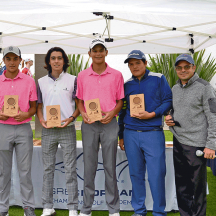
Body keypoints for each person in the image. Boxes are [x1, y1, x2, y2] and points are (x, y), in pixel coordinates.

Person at [118, 50, 172, 216]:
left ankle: (159, 212)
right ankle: (139, 211)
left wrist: (153, 114)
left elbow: (168, 100)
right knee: (136, 174)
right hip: (131, 133)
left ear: (145, 63)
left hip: (152, 132)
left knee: (156, 174)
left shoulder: (158, 78)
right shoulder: (126, 84)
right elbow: (122, 110)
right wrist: (121, 135)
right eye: (131, 64)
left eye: (137, 63)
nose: (134, 66)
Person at [165, 54, 216, 216]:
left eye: (187, 67)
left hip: (197, 144)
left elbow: (213, 118)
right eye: (179, 68)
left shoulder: (205, 88)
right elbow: (175, 110)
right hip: (179, 142)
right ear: (176, 70)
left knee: (197, 187)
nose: (183, 70)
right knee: (182, 185)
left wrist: (210, 145)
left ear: (193, 68)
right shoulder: (175, 88)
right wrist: (170, 117)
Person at [76, 37, 124, 216]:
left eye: (101, 50)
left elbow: (120, 101)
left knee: (110, 167)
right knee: (89, 166)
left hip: (109, 123)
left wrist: (113, 113)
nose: (98, 53)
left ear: (106, 52)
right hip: (89, 125)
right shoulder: (82, 75)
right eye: (94, 50)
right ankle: (86, 209)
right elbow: (79, 100)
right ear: (89, 53)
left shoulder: (116, 75)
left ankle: (113, 209)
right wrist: (83, 113)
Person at [0, 46, 37, 216]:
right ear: (3, 61)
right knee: (4, 171)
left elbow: (33, 108)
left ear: (20, 60)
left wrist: (26, 114)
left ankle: (28, 207)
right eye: (8, 59)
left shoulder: (29, 81)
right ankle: (2, 209)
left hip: (23, 128)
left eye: (15, 58)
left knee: (25, 171)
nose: (11, 62)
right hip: (3, 128)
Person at [37, 47, 80, 216]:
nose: (56, 61)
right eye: (53, 58)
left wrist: (71, 118)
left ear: (64, 61)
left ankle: (72, 208)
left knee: (70, 168)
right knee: (48, 169)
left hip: (67, 129)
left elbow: (79, 105)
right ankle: (48, 207)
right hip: (48, 130)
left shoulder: (73, 80)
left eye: (59, 58)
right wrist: (41, 120)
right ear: (48, 61)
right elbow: (39, 107)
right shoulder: (41, 81)